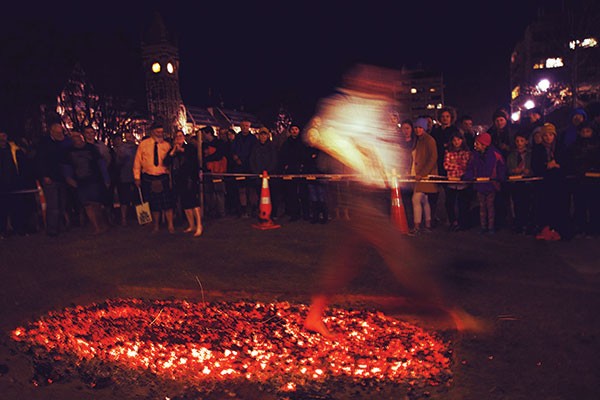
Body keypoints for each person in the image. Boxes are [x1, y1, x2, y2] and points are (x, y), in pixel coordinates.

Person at [302, 64, 486, 339]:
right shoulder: (346, 106)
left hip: (368, 195)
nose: (390, 88)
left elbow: (380, 146)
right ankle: (452, 312)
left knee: (344, 261)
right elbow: (320, 134)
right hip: (355, 196)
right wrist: (360, 159)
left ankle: (313, 316)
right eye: (382, 82)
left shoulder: (375, 109)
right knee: (400, 252)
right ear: (363, 82)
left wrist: (384, 165)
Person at [62, 131, 110, 235]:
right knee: (87, 205)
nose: (76, 139)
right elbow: (67, 166)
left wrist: (106, 178)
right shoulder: (68, 152)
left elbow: (101, 163)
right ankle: (96, 227)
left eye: (77, 137)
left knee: (96, 204)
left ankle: (102, 224)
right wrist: (68, 178)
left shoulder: (91, 148)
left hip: (94, 180)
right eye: (73, 137)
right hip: (80, 181)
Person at [133, 122, 175, 233]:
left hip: (163, 176)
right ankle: (155, 226)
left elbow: (170, 164)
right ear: (152, 131)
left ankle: (170, 225)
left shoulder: (167, 145)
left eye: (161, 132)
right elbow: (137, 162)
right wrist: (137, 177)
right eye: (158, 131)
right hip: (148, 177)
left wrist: (171, 178)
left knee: (167, 204)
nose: (160, 134)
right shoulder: (144, 144)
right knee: (153, 204)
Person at [463, 132, 506, 234]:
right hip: (480, 185)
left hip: (491, 185)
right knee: (482, 206)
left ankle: (491, 226)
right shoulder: (474, 155)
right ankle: (483, 226)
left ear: (484, 144)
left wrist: (500, 177)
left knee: (490, 207)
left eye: (477, 143)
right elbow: (470, 168)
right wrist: (469, 176)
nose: (475, 145)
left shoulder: (495, 155)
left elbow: (501, 167)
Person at [35, 121, 73, 236]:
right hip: (51, 177)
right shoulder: (45, 144)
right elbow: (41, 161)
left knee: (61, 204)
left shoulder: (63, 143)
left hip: (62, 177)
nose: (59, 134)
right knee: (53, 205)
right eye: (57, 132)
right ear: (51, 132)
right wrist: (45, 175)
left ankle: (60, 225)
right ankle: (52, 229)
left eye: (60, 132)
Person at [567, 122, 600, 237]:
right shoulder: (575, 146)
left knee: (594, 204)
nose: (585, 134)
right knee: (580, 204)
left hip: (594, 179)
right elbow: (572, 160)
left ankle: (594, 227)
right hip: (580, 179)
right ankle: (580, 226)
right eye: (583, 132)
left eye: (588, 131)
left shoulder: (597, 145)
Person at [167, 130, 202, 236]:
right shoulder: (172, 150)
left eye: (180, 136)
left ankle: (199, 225)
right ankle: (191, 225)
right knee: (186, 203)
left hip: (189, 178)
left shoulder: (189, 148)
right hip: (179, 179)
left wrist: (181, 150)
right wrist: (173, 151)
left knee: (194, 202)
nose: (179, 138)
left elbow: (193, 161)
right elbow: (166, 161)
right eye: (177, 136)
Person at [410, 117, 438, 234]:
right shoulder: (419, 140)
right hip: (421, 174)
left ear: (424, 128)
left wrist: (423, 173)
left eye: (420, 127)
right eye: (416, 127)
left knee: (416, 199)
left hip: (425, 175)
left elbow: (433, 158)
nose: (417, 130)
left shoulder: (428, 140)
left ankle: (417, 226)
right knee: (424, 200)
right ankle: (427, 224)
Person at [0, 130, 30, 237]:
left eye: (3, 136)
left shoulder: (14, 149)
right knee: (2, 209)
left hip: (14, 182)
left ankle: (19, 228)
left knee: (17, 207)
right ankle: (3, 230)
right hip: (2, 184)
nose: (2, 138)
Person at [279, 124, 309, 221]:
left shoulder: (303, 142)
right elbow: (283, 155)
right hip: (291, 171)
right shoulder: (287, 143)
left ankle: (306, 214)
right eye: (292, 129)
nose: (294, 131)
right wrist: (285, 166)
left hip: (302, 171)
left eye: (296, 129)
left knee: (303, 193)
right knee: (292, 193)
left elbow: (306, 156)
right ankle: (294, 214)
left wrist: (303, 165)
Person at [443, 131, 471, 231]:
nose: (456, 142)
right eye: (454, 140)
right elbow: (446, 165)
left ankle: (461, 222)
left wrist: (455, 164)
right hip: (451, 181)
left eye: (458, 140)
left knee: (462, 204)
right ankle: (452, 221)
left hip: (462, 182)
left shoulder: (466, 153)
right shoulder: (448, 152)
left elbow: (466, 166)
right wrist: (457, 165)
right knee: (449, 203)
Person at [506, 132, 533, 234]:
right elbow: (508, 167)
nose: (519, 143)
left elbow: (534, 165)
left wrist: (529, 171)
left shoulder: (530, 154)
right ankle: (519, 223)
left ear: (526, 141)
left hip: (527, 182)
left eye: (522, 141)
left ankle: (527, 223)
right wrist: (513, 170)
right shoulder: (512, 155)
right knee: (517, 203)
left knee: (527, 203)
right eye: (517, 141)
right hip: (516, 182)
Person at [231, 120, 258, 218]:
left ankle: (254, 208)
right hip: (239, 167)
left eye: (247, 126)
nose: (245, 127)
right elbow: (233, 150)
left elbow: (255, 152)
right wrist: (236, 158)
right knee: (241, 189)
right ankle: (244, 209)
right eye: (243, 125)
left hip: (250, 167)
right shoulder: (237, 138)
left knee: (252, 189)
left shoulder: (253, 139)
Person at [202, 126, 227, 220]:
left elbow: (219, 155)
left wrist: (207, 159)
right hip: (209, 170)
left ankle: (221, 211)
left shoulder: (219, 143)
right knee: (209, 192)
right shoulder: (205, 144)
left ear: (208, 133)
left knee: (219, 191)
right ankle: (211, 211)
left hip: (217, 170)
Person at [114, 131, 138, 226]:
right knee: (124, 200)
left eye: (130, 136)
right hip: (124, 176)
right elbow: (117, 163)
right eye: (127, 137)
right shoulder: (121, 149)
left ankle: (142, 217)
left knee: (138, 199)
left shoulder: (137, 148)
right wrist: (121, 159)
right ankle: (124, 219)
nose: (129, 138)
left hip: (136, 176)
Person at [398, 119, 415, 228]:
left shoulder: (415, 142)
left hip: (413, 173)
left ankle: (413, 222)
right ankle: (406, 222)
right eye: (404, 128)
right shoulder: (399, 142)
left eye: (408, 128)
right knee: (404, 199)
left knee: (414, 200)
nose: (406, 131)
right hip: (401, 173)